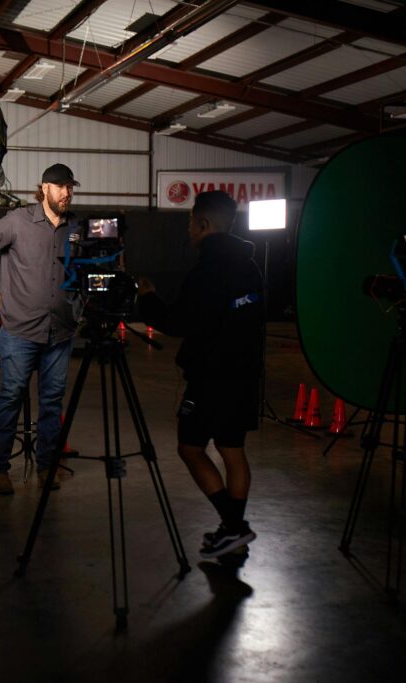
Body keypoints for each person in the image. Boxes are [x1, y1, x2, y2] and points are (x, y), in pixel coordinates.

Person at [135, 190, 264, 558]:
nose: (189, 229)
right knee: (232, 450)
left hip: (212, 377)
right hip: (244, 374)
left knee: (190, 448)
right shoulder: (249, 265)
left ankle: (235, 528)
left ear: (204, 224)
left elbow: (178, 322)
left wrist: (147, 297)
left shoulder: (209, 269)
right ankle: (231, 532)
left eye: (191, 222)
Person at [0, 163, 81, 495]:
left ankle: (47, 465)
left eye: (71, 187)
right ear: (44, 188)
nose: (67, 192)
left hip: (59, 332)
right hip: (20, 330)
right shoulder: (18, 220)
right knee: (11, 397)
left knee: (52, 401)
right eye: (61, 186)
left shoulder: (74, 228)